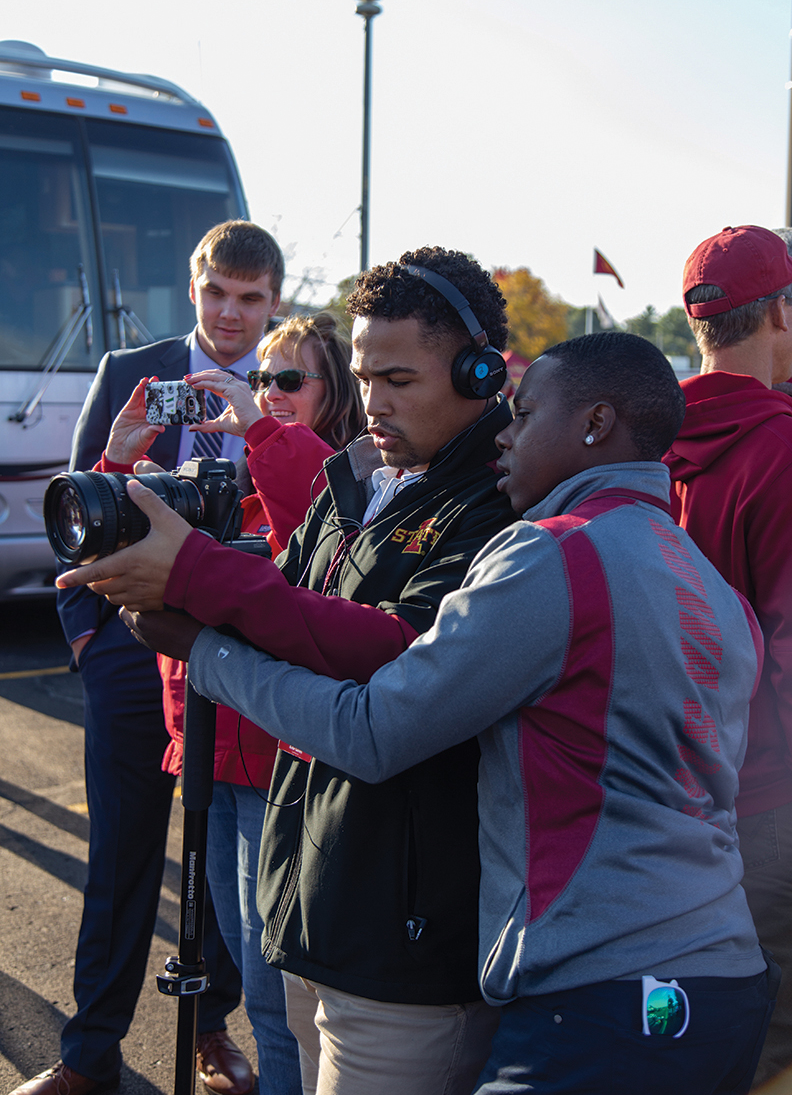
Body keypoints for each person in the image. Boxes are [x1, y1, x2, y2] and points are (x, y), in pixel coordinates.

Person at [119, 332, 777, 1095]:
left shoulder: (552, 555)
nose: (504, 431)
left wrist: (204, 654)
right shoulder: (713, 587)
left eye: (525, 414)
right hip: (725, 978)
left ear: (596, 424)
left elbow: (371, 732)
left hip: (601, 991)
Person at [56, 247, 517, 1095]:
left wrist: (193, 585)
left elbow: (388, 649)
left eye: (399, 379)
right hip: (318, 891)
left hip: (405, 941)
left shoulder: (500, 503)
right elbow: (283, 601)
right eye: (364, 374)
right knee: (277, 1038)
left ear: (480, 372)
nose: (373, 402)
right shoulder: (362, 480)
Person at [12, 222, 283, 1095]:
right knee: (123, 857)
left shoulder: (290, 379)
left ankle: (210, 1027)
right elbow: (74, 509)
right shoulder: (131, 370)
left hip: (237, 651)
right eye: (217, 293)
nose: (231, 314)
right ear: (193, 285)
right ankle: (89, 1054)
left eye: (250, 298)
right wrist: (93, 644)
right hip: (131, 648)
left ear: (273, 301)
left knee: (230, 859)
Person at [120, 312, 363, 1091]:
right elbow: (125, 540)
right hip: (208, 750)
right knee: (246, 969)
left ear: (336, 392)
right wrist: (122, 457)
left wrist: (259, 428)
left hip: (272, 762)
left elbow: (319, 532)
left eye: (289, 379)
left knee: (276, 990)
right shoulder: (244, 479)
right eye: (261, 378)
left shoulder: (334, 478)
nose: (268, 392)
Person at [663, 224, 792, 1089]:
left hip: (662, 793)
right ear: (782, 309)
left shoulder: (638, 435)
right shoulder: (781, 446)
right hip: (765, 798)